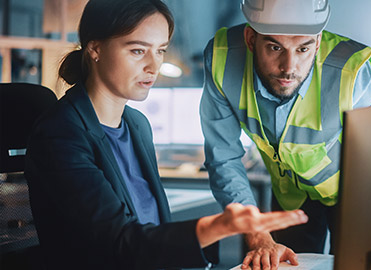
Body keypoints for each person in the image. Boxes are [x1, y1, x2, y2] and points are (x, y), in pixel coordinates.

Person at [24, 0, 308, 269]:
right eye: (138, 50)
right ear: (95, 49)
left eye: (160, 50)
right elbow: (117, 244)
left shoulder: (137, 124)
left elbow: (153, 230)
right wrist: (217, 227)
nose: (153, 66)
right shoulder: (61, 134)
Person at [200, 0, 371, 268]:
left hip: (353, 194)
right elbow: (223, 158)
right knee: (285, 263)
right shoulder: (222, 59)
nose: (289, 67)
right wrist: (258, 234)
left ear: (318, 42)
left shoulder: (351, 72)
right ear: (251, 39)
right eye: (275, 47)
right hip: (290, 196)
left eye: (303, 48)